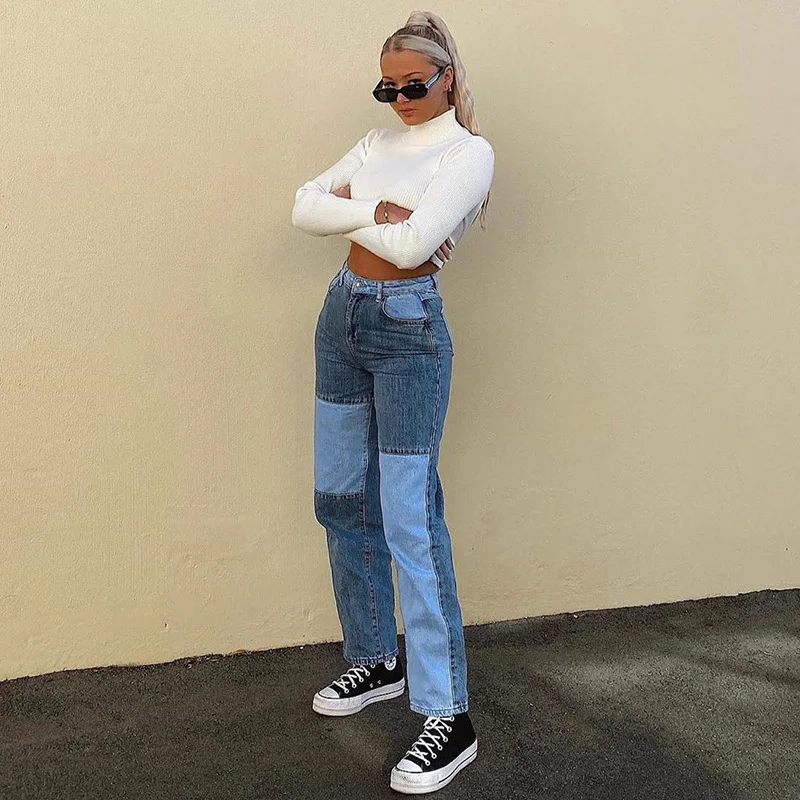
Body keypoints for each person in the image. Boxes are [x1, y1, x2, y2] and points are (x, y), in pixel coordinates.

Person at [291, 10, 494, 795]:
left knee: (409, 515)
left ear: (447, 79)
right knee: (341, 497)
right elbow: (302, 206)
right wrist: (376, 211)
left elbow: (414, 251)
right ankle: (375, 658)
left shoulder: (467, 153)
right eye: (389, 87)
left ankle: (449, 714)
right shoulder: (377, 144)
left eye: (415, 84)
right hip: (341, 316)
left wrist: (353, 214)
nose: (402, 98)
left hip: (409, 331)